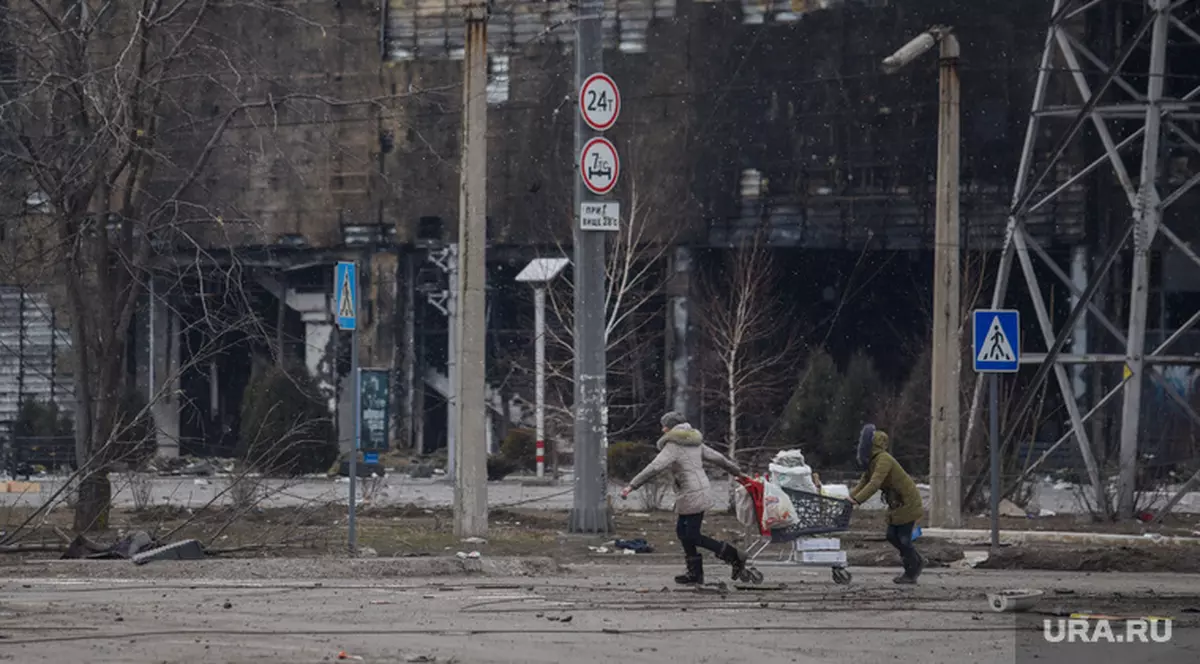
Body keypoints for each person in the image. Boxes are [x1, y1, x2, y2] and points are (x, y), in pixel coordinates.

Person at [620, 411, 749, 585]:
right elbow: (719, 459)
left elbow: (654, 467)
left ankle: (734, 556)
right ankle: (695, 573)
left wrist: (632, 485)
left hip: (692, 493)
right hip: (696, 491)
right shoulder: (693, 441)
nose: (662, 429)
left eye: (664, 425)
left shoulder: (674, 445)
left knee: (692, 535)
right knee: (683, 532)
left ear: (671, 427)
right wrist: (738, 473)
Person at [849, 424, 925, 584]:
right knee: (892, 536)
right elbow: (864, 482)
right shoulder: (873, 462)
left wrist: (857, 500)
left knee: (903, 539)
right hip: (897, 504)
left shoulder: (884, 460)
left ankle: (912, 569)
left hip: (907, 503)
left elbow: (875, 483)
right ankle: (916, 561)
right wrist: (849, 498)